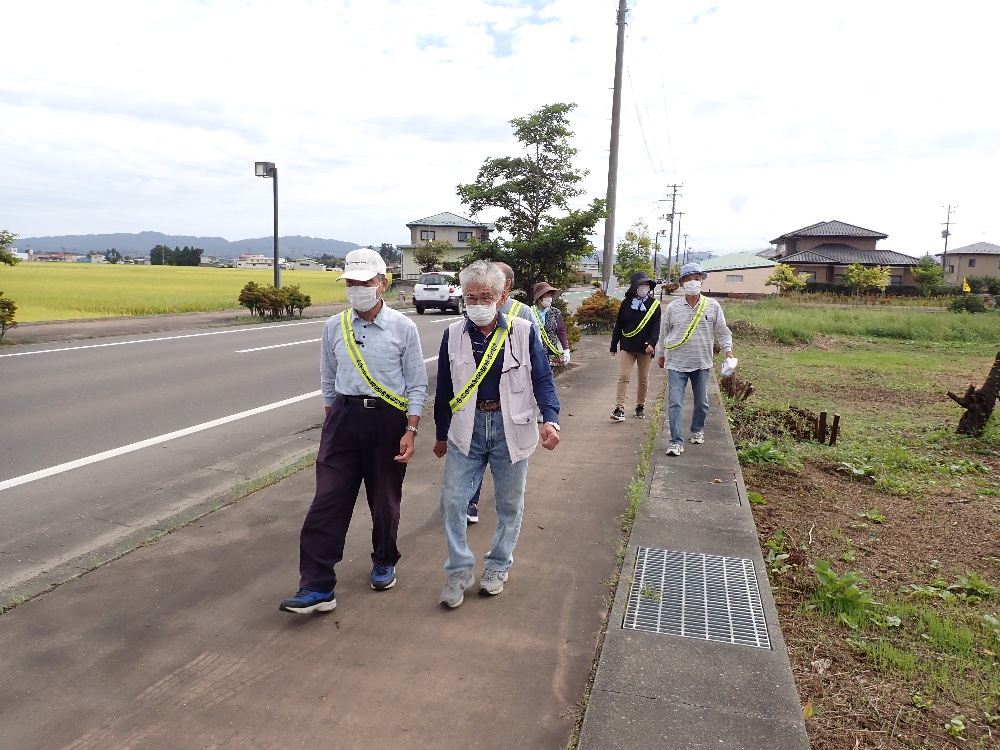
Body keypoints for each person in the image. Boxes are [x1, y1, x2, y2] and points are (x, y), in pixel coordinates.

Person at [279, 248, 428, 614]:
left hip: (387, 421)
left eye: (365, 282)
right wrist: (331, 421)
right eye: (351, 282)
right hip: (344, 420)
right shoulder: (334, 326)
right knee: (326, 501)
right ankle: (316, 586)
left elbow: (417, 384)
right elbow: (328, 378)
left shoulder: (403, 327)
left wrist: (411, 429)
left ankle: (384, 558)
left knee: (384, 500)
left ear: (382, 284)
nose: (357, 288)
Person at [433, 260, 561, 608]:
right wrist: (440, 433)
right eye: (470, 297)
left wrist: (550, 419)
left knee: (509, 504)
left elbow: (542, 380)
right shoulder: (453, 334)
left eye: (485, 296)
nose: (477, 304)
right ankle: (459, 570)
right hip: (466, 429)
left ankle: (498, 565)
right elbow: (445, 388)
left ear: (503, 295)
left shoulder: (523, 331)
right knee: (453, 501)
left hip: (511, 428)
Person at [465, 261, 539, 525]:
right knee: (471, 462)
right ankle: (470, 503)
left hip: (510, 405)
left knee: (506, 474)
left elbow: (536, 358)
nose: (480, 300)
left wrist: (538, 406)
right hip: (474, 404)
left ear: (506, 286)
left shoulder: (523, 314)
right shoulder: (474, 309)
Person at [657, 262, 734, 457]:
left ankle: (697, 429)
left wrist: (728, 351)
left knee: (702, 402)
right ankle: (675, 441)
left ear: (701, 282)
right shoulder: (674, 307)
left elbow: (722, 331)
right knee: (675, 402)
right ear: (682, 283)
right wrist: (661, 354)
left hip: (702, 363)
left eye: (697, 279)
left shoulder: (712, 306)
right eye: (689, 279)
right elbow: (663, 332)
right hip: (676, 363)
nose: (693, 283)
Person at [609, 271, 661, 421]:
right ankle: (619, 409)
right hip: (627, 345)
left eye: (646, 285)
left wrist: (653, 343)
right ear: (635, 286)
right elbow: (619, 324)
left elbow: (656, 327)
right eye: (641, 285)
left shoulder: (654, 305)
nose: (644, 288)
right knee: (624, 376)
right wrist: (614, 343)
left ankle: (640, 406)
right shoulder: (626, 303)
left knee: (643, 378)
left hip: (645, 348)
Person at [531, 281, 571, 367]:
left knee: (550, 377)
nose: (550, 298)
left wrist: (566, 349)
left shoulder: (555, 312)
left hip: (551, 352)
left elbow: (561, 331)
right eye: (547, 295)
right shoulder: (530, 312)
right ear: (539, 298)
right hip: (535, 352)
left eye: (550, 295)